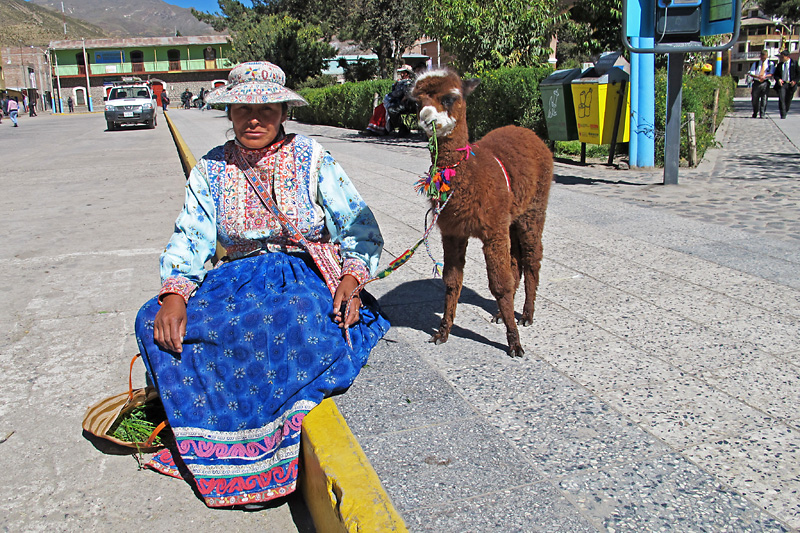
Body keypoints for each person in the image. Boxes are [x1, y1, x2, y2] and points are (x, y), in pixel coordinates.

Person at [133, 61, 390, 508]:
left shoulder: (312, 158)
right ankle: (213, 443)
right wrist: (174, 294)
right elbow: (191, 236)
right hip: (234, 278)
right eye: (242, 109)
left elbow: (358, 224)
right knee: (152, 321)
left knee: (280, 323)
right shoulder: (211, 170)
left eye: (266, 108)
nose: (254, 119)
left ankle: (263, 455)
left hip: (299, 272)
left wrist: (351, 276)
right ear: (229, 112)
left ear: (282, 112)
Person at [363, 64, 416, 136]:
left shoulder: (408, 83)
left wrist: (393, 97)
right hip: (395, 101)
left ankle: (401, 127)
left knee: (391, 109)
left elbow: (404, 95)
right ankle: (375, 128)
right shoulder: (400, 82)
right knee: (379, 108)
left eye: (403, 72)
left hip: (404, 103)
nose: (401, 74)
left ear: (406, 73)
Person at [774, 50, 800, 119]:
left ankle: (786, 110)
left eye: (782, 57)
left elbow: (798, 74)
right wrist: (778, 79)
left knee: (788, 99)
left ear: (787, 57)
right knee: (782, 98)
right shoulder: (780, 65)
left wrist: (794, 81)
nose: (781, 59)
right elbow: (776, 75)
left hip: (791, 84)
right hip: (783, 84)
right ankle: (783, 114)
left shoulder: (794, 63)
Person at [748, 50, 774, 118]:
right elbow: (751, 73)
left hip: (765, 82)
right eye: (762, 57)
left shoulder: (770, 64)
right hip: (757, 82)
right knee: (755, 99)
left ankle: (762, 113)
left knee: (764, 99)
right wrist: (757, 76)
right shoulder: (756, 64)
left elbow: (772, 73)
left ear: (767, 56)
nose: (763, 59)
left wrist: (765, 76)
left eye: (764, 57)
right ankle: (755, 112)